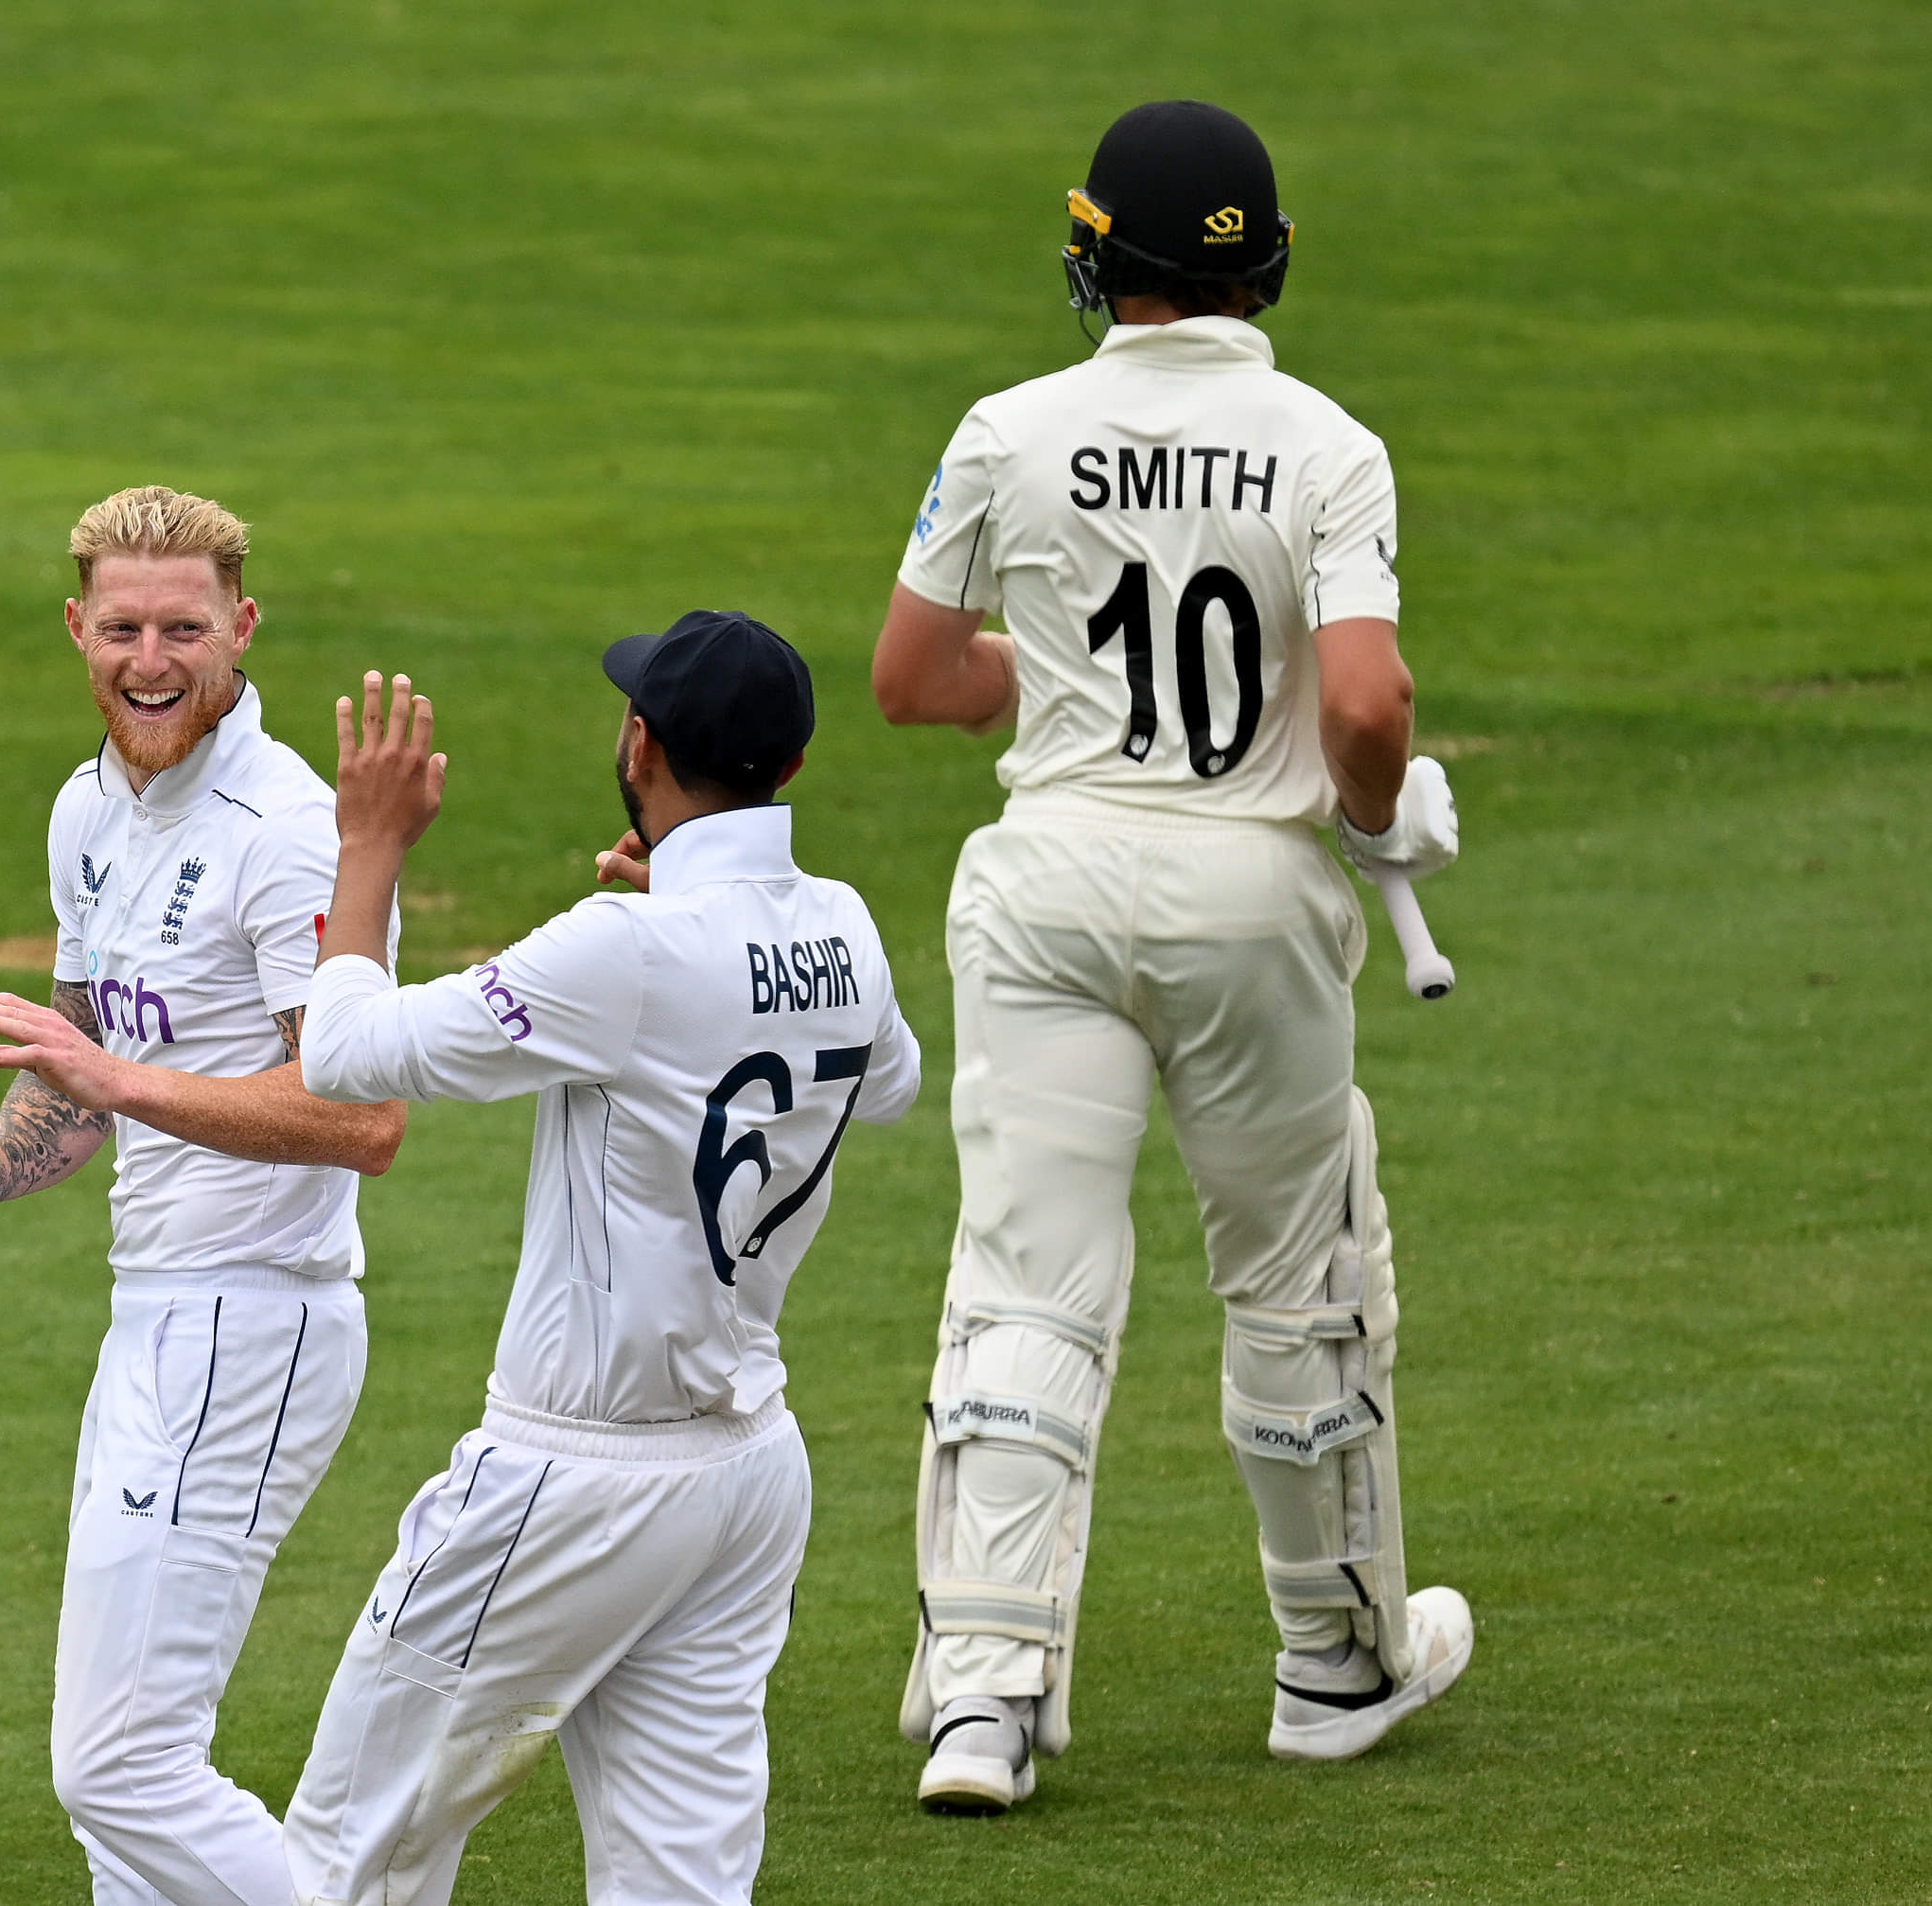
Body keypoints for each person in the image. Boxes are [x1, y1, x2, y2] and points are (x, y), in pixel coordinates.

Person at [872, 101, 1472, 1815]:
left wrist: (1053, 675)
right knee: (1296, 1276)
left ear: (1094, 255)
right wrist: (1379, 807)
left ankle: (982, 1696)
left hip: (1046, 884)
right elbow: (1362, 701)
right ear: (1265, 263)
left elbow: (913, 678)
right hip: (1245, 899)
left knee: (1024, 1279)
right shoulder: (1326, 443)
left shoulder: (1005, 428)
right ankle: (1332, 1660)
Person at [0, 485, 405, 1906]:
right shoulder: (87, 809)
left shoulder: (287, 832)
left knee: (120, 1767)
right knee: (121, 1806)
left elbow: (358, 1116)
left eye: (184, 629)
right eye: (124, 628)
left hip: (251, 1325)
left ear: (242, 627)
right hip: (154, 1315)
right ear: (76, 627)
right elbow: (79, 1071)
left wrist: (120, 1080)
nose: (151, 661)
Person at [282, 619, 922, 1906]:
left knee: (344, 1858)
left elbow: (340, 1051)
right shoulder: (842, 926)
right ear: (792, 764)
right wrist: (681, 954)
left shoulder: (620, 950)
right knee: (681, 1882)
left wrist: (368, 850)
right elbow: (888, 1082)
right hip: (745, 1475)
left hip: (571, 1480)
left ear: (640, 744)